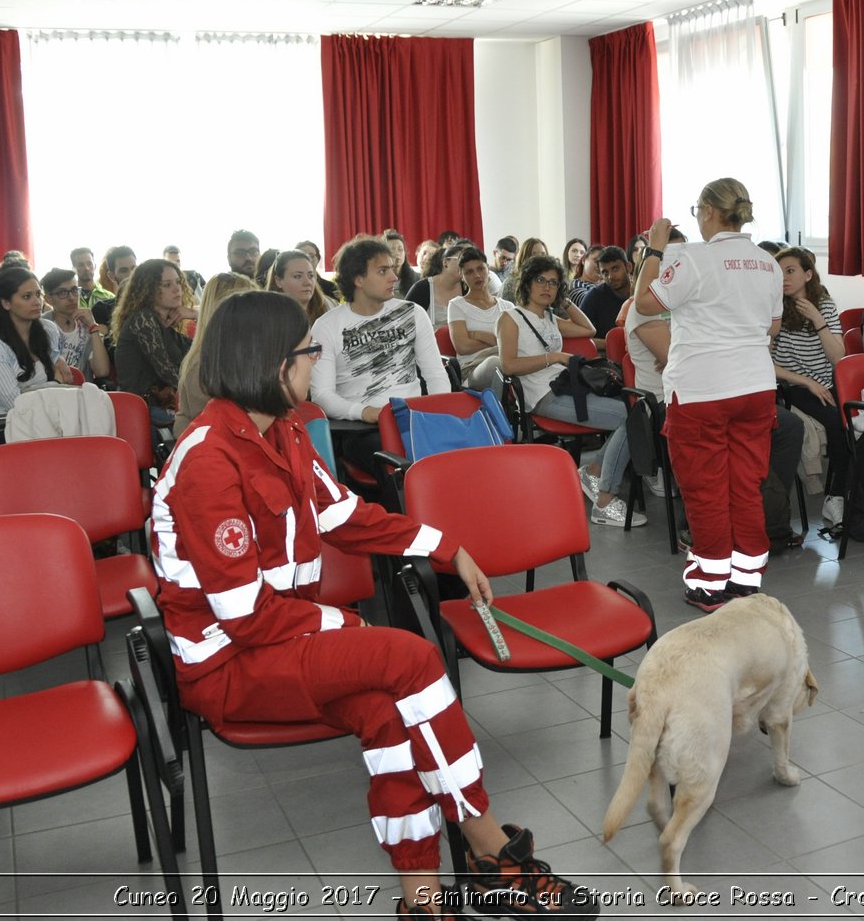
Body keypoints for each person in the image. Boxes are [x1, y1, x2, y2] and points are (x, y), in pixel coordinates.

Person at [154, 290, 598, 919]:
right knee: (411, 659)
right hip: (231, 665)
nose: (316, 361)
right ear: (271, 361)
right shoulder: (207, 463)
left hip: (288, 647)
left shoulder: (281, 432)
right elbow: (246, 616)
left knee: (385, 711)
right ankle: (489, 851)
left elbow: (344, 516)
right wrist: (342, 622)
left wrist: (447, 547)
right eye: (308, 351)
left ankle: (420, 898)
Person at [634, 178, 781, 610]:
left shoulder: (693, 259)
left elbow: (643, 302)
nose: (696, 217)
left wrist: (655, 249)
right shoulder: (767, 263)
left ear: (711, 212)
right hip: (755, 387)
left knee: (706, 488)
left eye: (697, 209)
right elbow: (771, 328)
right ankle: (747, 577)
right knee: (745, 485)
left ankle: (709, 582)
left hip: (702, 391)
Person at [496, 255, 640, 527]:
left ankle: (594, 472)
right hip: (542, 395)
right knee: (632, 416)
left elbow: (589, 328)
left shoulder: (550, 316)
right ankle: (604, 499)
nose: (547, 287)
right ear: (526, 283)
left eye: (553, 282)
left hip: (568, 388)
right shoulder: (510, 318)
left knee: (635, 411)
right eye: (540, 280)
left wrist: (562, 300)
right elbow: (508, 364)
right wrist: (555, 357)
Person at [311, 236, 450, 475]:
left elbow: (436, 374)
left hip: (412, 419)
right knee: (403, 462)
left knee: (453, 450)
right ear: (358, 279)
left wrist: (439, 414)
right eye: (383, 271)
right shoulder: (327, 326)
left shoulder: (411, 313)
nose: (394, 277)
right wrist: (365, 412)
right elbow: (322, 395)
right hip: (362, 428)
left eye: (392, 269)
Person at [769, 246, 849, 531]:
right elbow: (766, 363)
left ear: (808, 274)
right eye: (778, 273)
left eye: (790, 271)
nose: (784, 279)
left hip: (829, 381)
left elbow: (838, 359)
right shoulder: (773, 309)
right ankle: (835, 497)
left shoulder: (824, 304)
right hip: (794, 385)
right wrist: (806, 381)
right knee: (838, 425)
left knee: (857, 419)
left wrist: (818, 320)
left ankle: (848, 492)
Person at [0, 266, 69, 424]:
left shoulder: (49, 329)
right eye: (26, 297)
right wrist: (55, 384)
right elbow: (14, 403)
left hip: (44, 418)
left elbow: (63, 380)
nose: (37, 302)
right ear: (6, 303)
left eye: (38, 294)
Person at [112, 259, 194, 426]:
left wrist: (197, 316)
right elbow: (166, 371)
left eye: (178, 282)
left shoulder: (166, 325)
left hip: (165, 407)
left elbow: (203, 352)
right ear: (149, 290)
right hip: (144, 409)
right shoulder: (143, 319)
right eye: (167, 284)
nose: (177, 288)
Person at [173, 272, 254, 437]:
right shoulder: (202, 364)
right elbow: (215, 430)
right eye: (251, 305)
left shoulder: (247, 353)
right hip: (209, 449)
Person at [446, 246, 513, 391]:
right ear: (461, 276)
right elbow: (463, 347)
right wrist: (498, 340)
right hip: (473, 369)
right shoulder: (457, 305)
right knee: (497, 363)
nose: (477, 275)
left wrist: (478, 335)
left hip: (508, 360)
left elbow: (518, 341)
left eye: (480, 269)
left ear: (488, 269)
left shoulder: (507, 306)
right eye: (469, 272)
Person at [40, 268, 111, 383]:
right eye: (62, 292)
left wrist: (93, 327)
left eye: (74, 290)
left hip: (82, 393)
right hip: (51, 393)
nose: (71, 297)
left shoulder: (86, 324)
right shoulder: (41, 326)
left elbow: (102, 371)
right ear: (49, 299)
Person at [404, 243, 467, 328]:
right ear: (445, 262)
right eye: (461, 260)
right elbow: (403, 323)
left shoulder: (468, 288)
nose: (465, 266)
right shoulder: (422, 288)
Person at [579, 245, 633, 341]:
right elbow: (580, 336)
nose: (610, 276)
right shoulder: (594, 296)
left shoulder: (642, 291)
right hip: (606, 354)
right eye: (605, 272)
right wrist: (611, 345)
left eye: (615, 269)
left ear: (628, 267)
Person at [267, 248, 333, 325]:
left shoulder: (329, 309)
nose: (307, 282)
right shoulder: (267, 319)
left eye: (310, 276)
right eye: (297, 276)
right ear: (278, 281)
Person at [93, 246, 137, 330]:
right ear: (112, 276)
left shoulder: (153, 304)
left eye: (134, 268)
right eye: (124, 270)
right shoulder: (102, 310)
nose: (131, 274)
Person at [500, 237, 549, 303]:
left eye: (543, 254)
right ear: (524, 257)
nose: (540, 258)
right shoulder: (511, 282)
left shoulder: (550, 280)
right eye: (534, 254)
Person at [383, 229, 421, 299]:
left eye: (400, 249)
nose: (397, 253)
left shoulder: (417, 279)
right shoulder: (379, 280)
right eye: (392, 249)